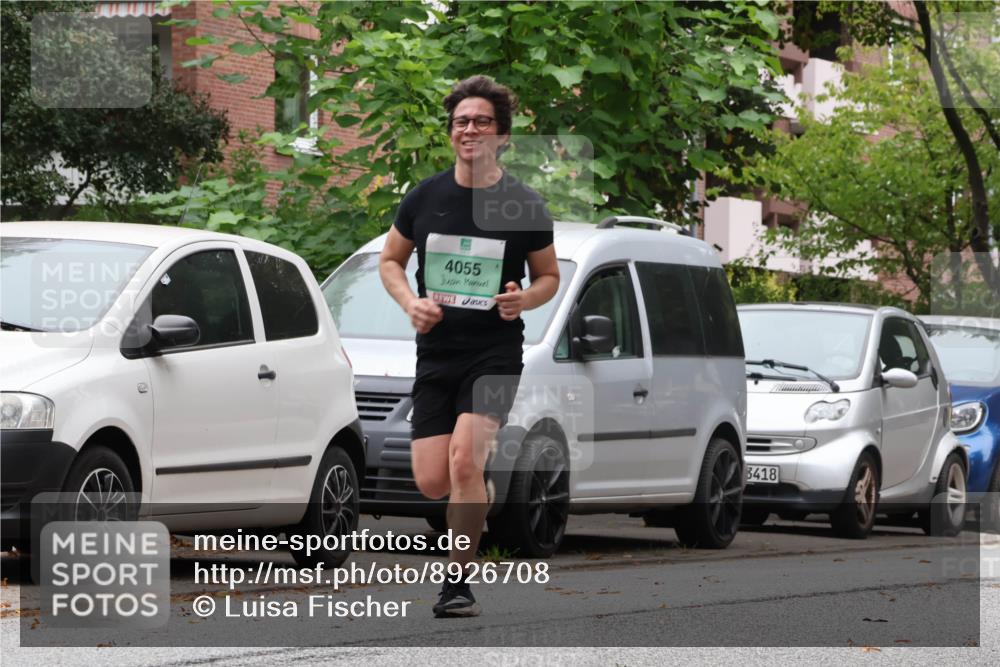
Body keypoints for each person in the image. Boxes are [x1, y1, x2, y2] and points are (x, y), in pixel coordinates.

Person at [379, 75, 559, 618]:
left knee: (463, 460)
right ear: (451, 133)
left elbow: (547, 277)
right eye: (462, 121)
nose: (471, 129)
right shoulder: (425, 198)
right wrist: (411, 302)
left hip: (495, 354)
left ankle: (456, 584)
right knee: (434, 478)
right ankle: (474, 493)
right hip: (437, 353)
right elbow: (390, 261)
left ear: (501, 134)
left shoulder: (524, 204)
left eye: (482, 121)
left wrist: (522, 300)